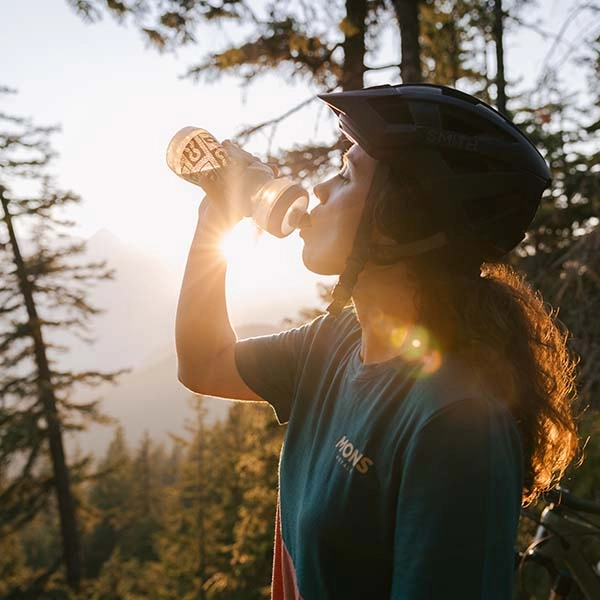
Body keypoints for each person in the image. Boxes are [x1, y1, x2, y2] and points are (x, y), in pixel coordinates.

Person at [175, 84, 579, 599]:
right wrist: (213, 221)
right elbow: (203, 363)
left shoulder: (455, 422)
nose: (318, 190)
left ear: (402, 221)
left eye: (345, 175)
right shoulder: (335, 341)